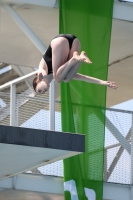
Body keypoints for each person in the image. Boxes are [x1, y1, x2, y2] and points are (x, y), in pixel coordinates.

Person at [33, 34, 117, 94]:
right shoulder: (59, 75)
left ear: (37, 81)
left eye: (39, 90)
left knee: (58, 79)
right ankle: (80, 58)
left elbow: (41, 72)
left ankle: (74, 59)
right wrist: (102, 82)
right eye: (43, 93)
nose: (43, 91)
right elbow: (83, 77)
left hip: (59, 41)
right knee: (67, 78)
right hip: (74, 41)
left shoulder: (43, 73)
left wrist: (40, 75)